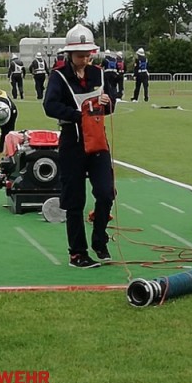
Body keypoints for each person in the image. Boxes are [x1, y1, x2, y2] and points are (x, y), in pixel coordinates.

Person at [43, 24, 115, 269]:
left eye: (88, 55)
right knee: (75, 200)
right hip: (72, 142)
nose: (85, 59)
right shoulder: (58, 76)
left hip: (97, 140)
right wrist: (78, 114)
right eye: (80, 55)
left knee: (106, 192)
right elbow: (50, 106)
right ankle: (77, 253)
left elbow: (111, 105)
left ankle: (99, 240)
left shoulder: (99, 74)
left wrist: (106, 102)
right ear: (69, 54)